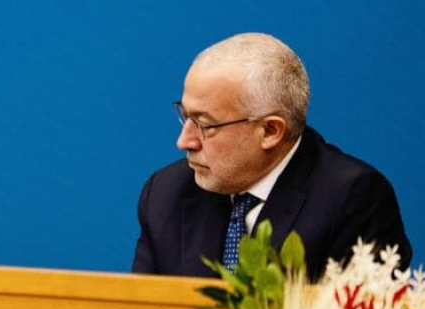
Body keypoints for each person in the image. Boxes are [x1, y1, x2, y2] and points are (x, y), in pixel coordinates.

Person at [133, 32, 410, 279]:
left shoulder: (353, 200)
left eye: (204, 124)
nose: (184, 141)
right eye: (185, 116)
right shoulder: (165, 194)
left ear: (270, 131)